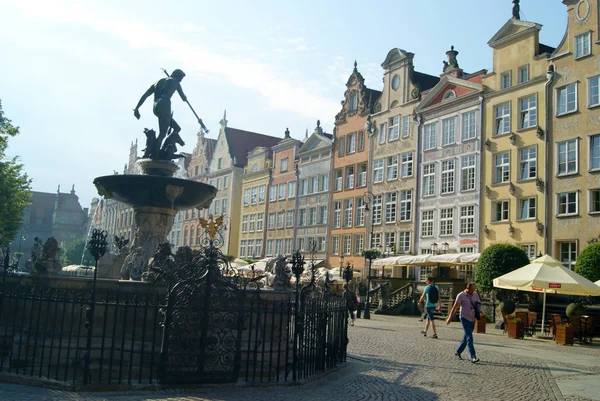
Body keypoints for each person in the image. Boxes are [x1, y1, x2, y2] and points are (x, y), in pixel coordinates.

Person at [134, 69, 187, 158]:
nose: (181, 80)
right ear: (177, 76)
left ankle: (162, 149)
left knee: (177, 128)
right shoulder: (175, 82)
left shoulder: (158, 82)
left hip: (156, 106)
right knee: (162, 133)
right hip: (165, 104)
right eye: (181, 78)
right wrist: (185, 97)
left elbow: (146, 95)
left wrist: (137, 108)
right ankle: (156, 155)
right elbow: (183, 97)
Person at [446, 282, 481, 363]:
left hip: (472, 318)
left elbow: (478, 302)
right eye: (472, 290)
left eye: (474, 290)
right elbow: (454, 307)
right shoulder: (461, 295)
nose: (473, 291)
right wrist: (450, 318)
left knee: (466, 337)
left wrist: (477, 306)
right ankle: (473, 356)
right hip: (464, 318)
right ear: (467, 289)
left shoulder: (475, 294)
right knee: (469, 337)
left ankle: (458, 351)